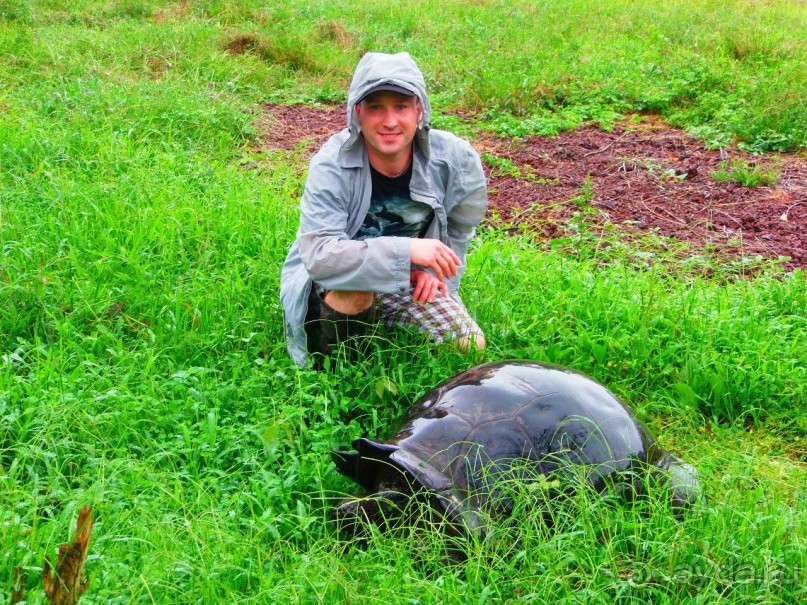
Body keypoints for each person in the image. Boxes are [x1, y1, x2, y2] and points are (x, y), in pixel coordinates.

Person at [280, 52, 488, 368]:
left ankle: (383, 322)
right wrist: (408, 251)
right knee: (359, 290)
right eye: (376, 107)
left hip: (406, 276)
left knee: (469, 344)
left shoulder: (455, 159)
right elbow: (321, 257)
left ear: (419, 110)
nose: (390, 121)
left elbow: (460, 227)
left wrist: (433, 274)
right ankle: (342, 370)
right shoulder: (331, 165)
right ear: (358, 113)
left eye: (401, 106)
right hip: (337, 280)